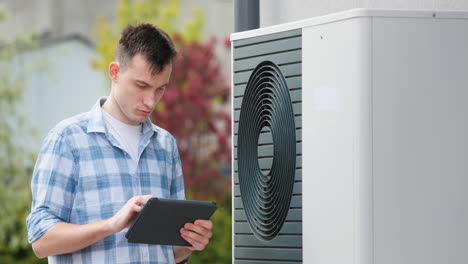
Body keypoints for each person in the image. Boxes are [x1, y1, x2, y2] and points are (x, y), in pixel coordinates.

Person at [26, 23, 213, 264]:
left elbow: (172, 254)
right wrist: (112, 225)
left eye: (160, 89)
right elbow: (41, 241)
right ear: (115, 72)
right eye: (142, 86)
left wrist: (189, 243)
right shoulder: (67, 139)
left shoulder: (165, 146)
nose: (150, 100)